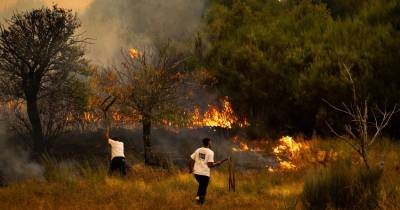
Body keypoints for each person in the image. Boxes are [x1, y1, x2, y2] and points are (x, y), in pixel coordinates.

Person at [189, 138, 228, 205]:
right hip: (204, 174)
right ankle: (200, 203)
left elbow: (191, 160)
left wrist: (191, 169)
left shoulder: (198, 150)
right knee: (203, 188)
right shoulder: (210, 152)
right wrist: (217, 164)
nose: (211, 143)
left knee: (201, 185)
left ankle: (198, 199)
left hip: (196, 173)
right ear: (209, 143)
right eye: (211, 142)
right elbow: (210, 165)